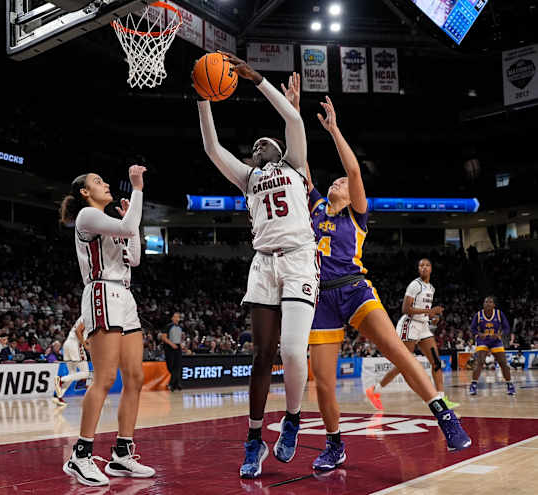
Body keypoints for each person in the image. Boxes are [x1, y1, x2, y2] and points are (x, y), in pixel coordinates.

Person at [279, 73, 471, 472]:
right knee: (325, 383)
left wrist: (334, 130)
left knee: (398, 351)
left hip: (353, 288)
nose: (337, 182)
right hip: (319, 296)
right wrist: (294, 113)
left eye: (342, 183)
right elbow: (301, 162)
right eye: (333, 181)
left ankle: (443, 414)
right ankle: (335, 445)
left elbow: (353, 173)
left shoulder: (357, 214)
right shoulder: (313, 206)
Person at [196, 54, 319, 479]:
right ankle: (253, 439)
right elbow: (212, 148)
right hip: (264, 265)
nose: (256, 148)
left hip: (300, 259)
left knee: (290, 349)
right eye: (253, 148)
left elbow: (294, 122)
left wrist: (257, 79)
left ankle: (293, 420)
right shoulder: (248, 179)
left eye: (263, 143)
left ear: (281, 151)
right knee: (262, 356)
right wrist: (202, 99)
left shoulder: (296, 166)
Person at [60, 165, 154, 487]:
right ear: (85, 192)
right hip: (102, 291)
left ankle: (122, 453)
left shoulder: (112, 224)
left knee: (135, 377)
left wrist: (133, 222)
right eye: (97, 182)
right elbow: (128, 227)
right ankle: (81, 454)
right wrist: (138, 188)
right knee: (104, 377)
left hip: (125, 296)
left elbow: (136, 258)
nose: (106, 184)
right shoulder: (87, 216)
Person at [366, 259, 459, 409]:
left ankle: (442, 399)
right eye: (421, 266)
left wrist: (432, 318)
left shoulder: (431, 288)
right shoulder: (415, 285)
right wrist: (429, 311)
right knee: (403, 364)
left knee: (436, 361)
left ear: (431, 269)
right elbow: (405, 308)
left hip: (423, 326)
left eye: (427, 265)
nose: (424, 268)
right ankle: (374, 390)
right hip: (409, 325)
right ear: (418, 269)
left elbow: (426, 311)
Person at [469, 296, 515, 396]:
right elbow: (472, 329)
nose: (488, 304)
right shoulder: (478, 314)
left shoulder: (499, 314)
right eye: (486, 302)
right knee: (479, 361)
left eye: (490, 302)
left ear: (494, 305)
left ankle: (510, 384)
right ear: (483, 304)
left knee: (503, 363)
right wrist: (479, 334)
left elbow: (507, 328)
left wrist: (500, 334)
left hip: (495, 341)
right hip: (483, 340)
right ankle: (473, 385)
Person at [53, 318, 91, 407]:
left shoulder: (85, 317)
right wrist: (85, 345)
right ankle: (60, 380)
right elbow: (78, 332)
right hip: (75, 345)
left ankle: (58, 396)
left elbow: (83, 335)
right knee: (85, 373)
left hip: (68, 344)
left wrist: (88, 343)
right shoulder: (88, 316)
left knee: (72, 374)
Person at [160, 312, 183, 391]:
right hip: (169, 347)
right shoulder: (168, 326)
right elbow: (163, 337)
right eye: (175, 317)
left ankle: (173, 384)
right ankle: (176, 383)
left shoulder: (180, 327)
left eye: (178, 317)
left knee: (177, 366)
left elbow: (180, 337)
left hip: (178, 347)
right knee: (170, 366)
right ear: (172, 318)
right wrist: (172, 344)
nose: (176, 318)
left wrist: (180, 344)